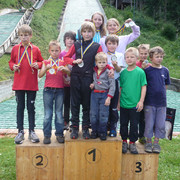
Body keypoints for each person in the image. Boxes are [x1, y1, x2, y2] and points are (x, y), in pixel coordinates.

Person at [64, 21, 105, 140]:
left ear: (93, 33)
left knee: (86, 105)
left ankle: (86, 128)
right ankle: (75, 128)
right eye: (85, 32)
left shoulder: (96, 46)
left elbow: (102, 61)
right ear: (81, 33)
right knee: (75, 104)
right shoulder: (76, 44)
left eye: (89, 32)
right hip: (75, 77)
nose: (87, 34)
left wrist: (109, 69)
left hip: (88, 77)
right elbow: (66, 58)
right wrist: (73, 62)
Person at [9, 24, 43, 144]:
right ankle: (20, 131)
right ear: (19, 36)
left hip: (31, 85)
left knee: (31, 108)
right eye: (22, 35)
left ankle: (32, 131)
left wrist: (37, 65)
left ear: (31, 36)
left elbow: (41, 62)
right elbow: (11, 61)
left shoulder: (35, 49)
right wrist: (13, 66)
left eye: (26, 35)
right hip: (19, 85)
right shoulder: (15, 49)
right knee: (20, 108)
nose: (24, 38)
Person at [39, 40, 70, 144]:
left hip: (60, 90)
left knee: (59, 113)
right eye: (52, 51)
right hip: (48, 90)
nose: (55, 53)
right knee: (48, 114)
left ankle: (59, 134)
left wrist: (65, 70)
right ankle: (47, 135)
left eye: (57, 50)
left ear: (60, 51)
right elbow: (40, 75)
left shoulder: (62, 62)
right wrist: (46, 69)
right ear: (49, 51)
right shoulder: (46, 62)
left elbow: (69, 74)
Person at [118, 47, 147, 154]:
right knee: (123, 124)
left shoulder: (140, 72)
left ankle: (132, 143)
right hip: (124, 104)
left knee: (134, 125)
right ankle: (124, 141)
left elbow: (144, 86)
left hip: (135, 105)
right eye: (127, 57)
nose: (129, 59)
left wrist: (141, 101)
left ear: (137, 58)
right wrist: (118, 102)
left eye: (132, 57)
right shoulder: (123, 72)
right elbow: (120, 88)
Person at [144, 46, 170, 153]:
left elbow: (166, 85)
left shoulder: (165, 70)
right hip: (149, 102)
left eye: (161, 56)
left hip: (161, 103)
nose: (159, 58)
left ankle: (156, 143)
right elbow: (143, 85)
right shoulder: (147, 71)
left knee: (160, 124)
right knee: (149, 123)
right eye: (157, 56)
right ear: (151, 58)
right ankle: (148, 142)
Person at [90, 52, 115, 140]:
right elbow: (96, 81)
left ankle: (102, 132)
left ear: (106, 62)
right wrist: (93, 84)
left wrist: (109, 97)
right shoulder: (94, 71)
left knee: (103, 114)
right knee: (93, 114)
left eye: (103, 62)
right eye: (99, 62)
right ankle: (94, 131)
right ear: (96, 63)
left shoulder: (109, 72)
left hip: (104, 94)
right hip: (94, 95)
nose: (101, 64)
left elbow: (112, 85)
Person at [104, 34, 125, 137]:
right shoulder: (103, 54)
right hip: (104, 84)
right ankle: (104, 127)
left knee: (113, 107)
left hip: (115, 82)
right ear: (106, 44)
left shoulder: (120, 55)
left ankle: (113, 128)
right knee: (104, 105)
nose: (112, 46)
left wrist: (115, 65)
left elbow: (119, 70)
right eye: (109, 43)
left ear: (117, 45)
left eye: (114, 43)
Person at [59, 31, 76, 130]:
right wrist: (64, 78)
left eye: (72, 39)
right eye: (68, 38)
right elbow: (60, 67)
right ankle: (66, 122)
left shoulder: (76, 53)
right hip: (64, 83)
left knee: (74, 103)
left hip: (74, 82)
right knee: (66, 103)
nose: (70, 40)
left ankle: (74, 122)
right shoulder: (62, 53)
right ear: (64, 40)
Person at [136, 44, 151, 144]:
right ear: (138, 54)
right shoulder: (136, 64)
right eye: (141, 54)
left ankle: (142, 136)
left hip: (146, 94)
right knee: (135, 116)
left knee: (143, 117)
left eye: (145, 54)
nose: (143, 56)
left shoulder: (150, 65)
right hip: (136, 93)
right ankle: (131, 134)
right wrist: (142, 69)